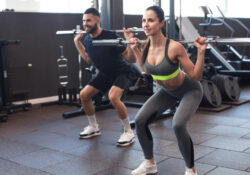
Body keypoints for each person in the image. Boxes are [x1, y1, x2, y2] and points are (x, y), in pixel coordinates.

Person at [127, 6, 208, 175]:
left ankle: (191, 170)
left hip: (189, 90)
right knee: (140, 120)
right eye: (143, 20)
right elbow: (147, 70)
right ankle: (149, 163)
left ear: (162, 23)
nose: (146, 24)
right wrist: (134, 48)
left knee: (178, 125)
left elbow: (196, 75)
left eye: (151, 20)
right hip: (167, 92)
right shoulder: (145, 45)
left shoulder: (174, 47)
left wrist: (200, 53)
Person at [74, 8, 141, 146]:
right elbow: (89, 59)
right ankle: (94, 127)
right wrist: (77, 42)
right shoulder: (87, 39)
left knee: (113, 96)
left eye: (88, 20)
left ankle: (128, 132)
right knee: (84, 95)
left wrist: (129, 43)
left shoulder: (111, 36)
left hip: (122, 72)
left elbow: (131, 59)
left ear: (97, 21)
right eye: (83, 21)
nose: (85, 24)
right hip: (106, 73)